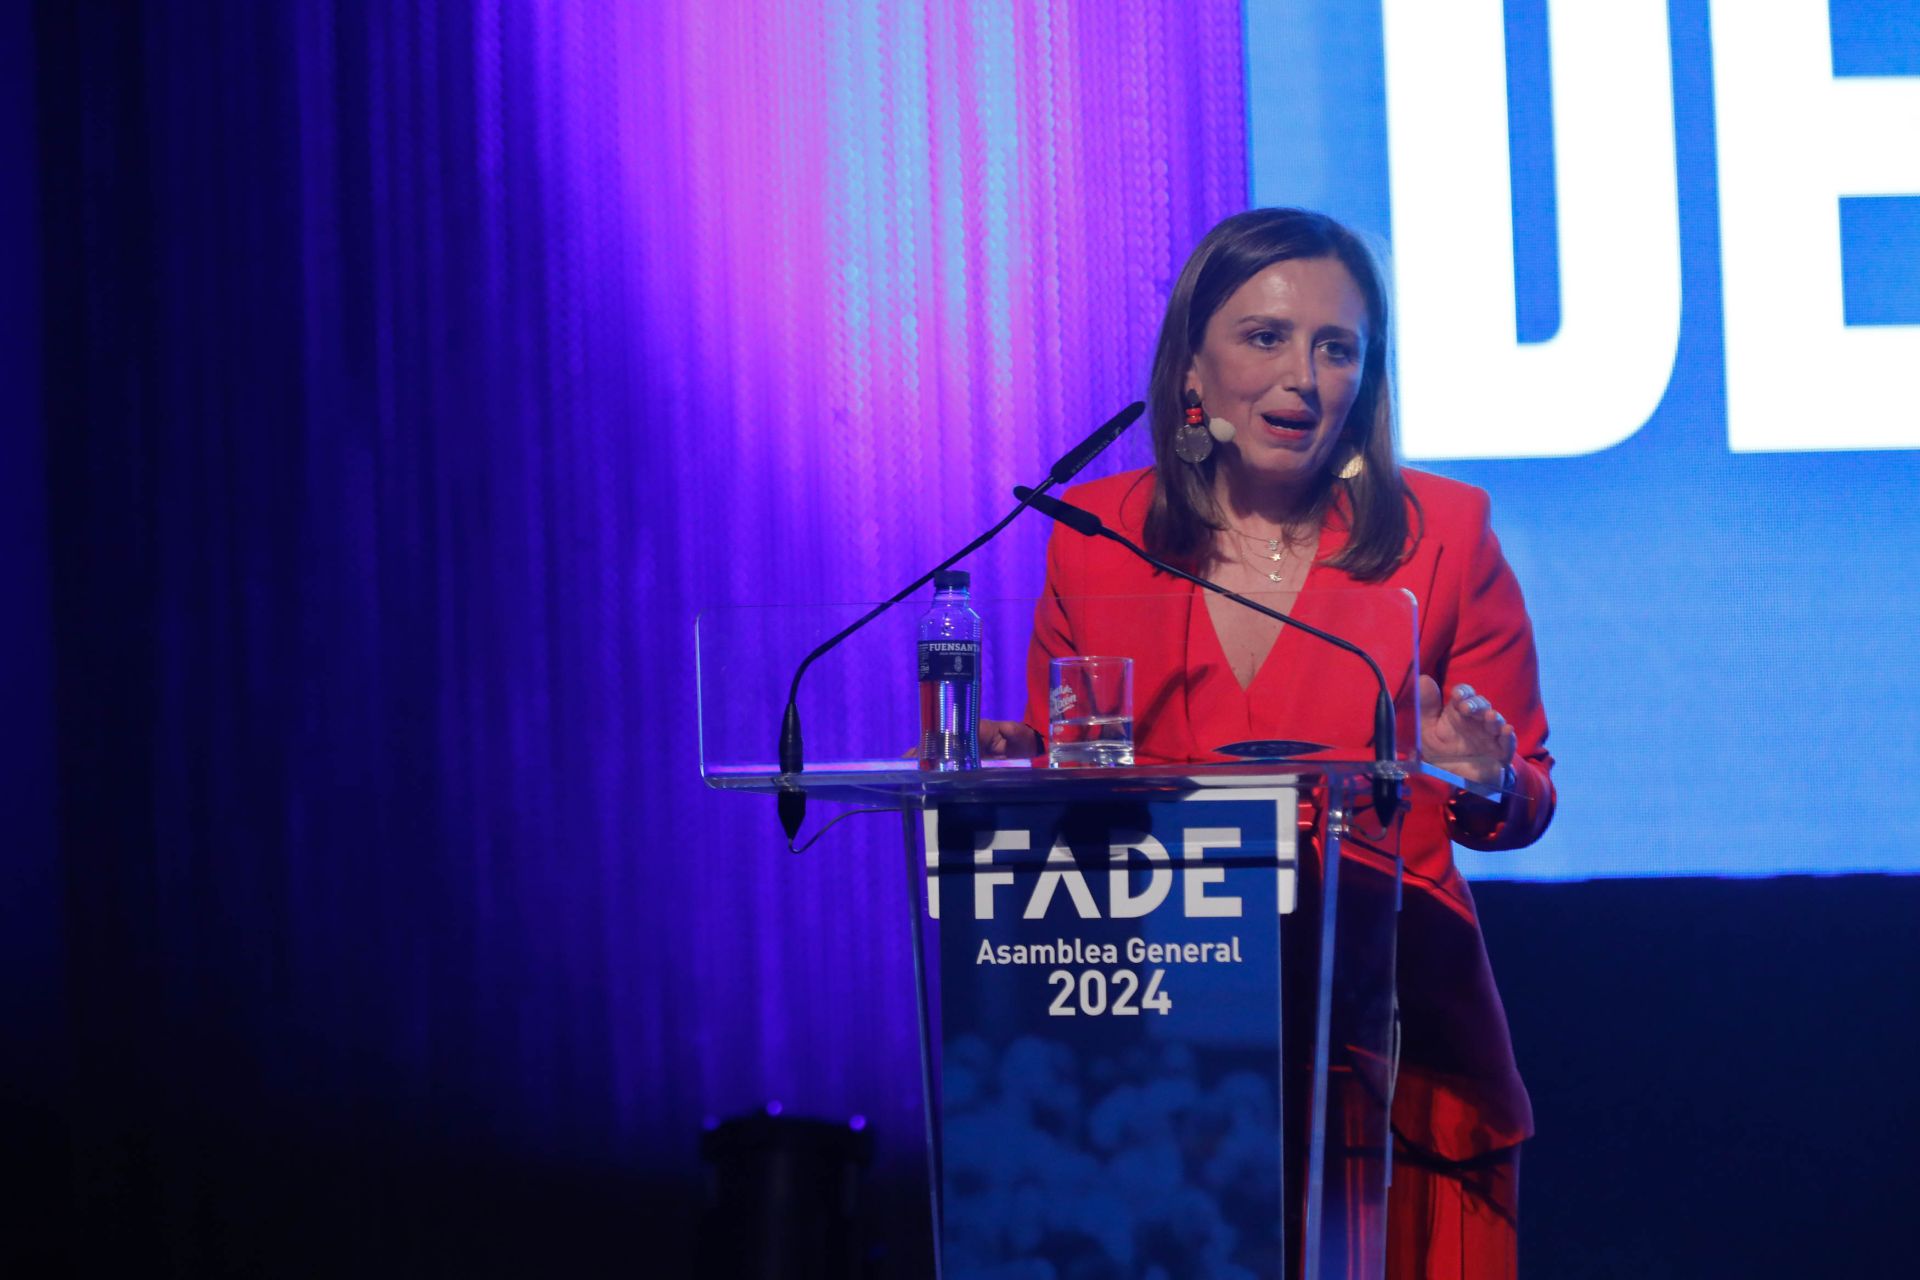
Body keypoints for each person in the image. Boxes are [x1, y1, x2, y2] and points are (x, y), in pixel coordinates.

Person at [982, 207, 1555, 1278]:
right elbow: (1079, 796)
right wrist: (1019, 773)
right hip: (1163, 1082)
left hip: (1396, 1070)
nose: (1304, 376)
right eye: (1267, 337)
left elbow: (1524, 793)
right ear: (1191, 364)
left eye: (1337, 347)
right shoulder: (1095, 543)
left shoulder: (1448, 534)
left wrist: (1484, 777)